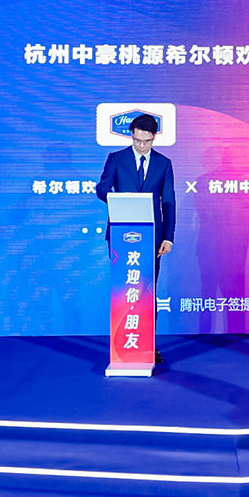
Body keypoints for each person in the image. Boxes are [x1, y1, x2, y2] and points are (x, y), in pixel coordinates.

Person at [95, 113, 176, 361]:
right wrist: (118, 199)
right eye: (137, 140)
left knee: (148, 290)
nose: (142, 145)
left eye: (147, 141)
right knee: (125, 289)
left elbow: (169, 202)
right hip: (121, 234)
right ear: (131, 135)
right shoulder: (116, 159)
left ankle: (149, 344)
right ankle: (123, 344)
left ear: (154, 138)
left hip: (152, 236)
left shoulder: (163, 163)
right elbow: (102, 187)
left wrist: (168, 237)